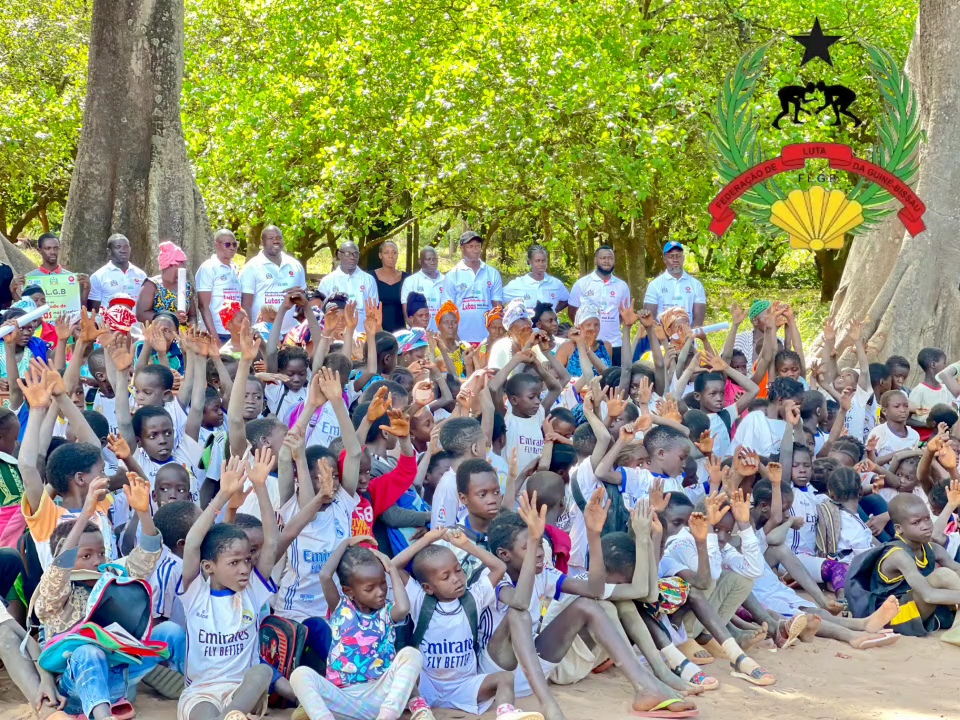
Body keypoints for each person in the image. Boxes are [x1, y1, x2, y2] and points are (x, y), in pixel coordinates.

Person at [177, 452, 278, 720]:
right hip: (201, 692)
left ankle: (233, 714)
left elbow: (272, 542)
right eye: (234, 563)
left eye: (247, 560)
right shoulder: (196, 593)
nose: (244, 568)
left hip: (241, 692)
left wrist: (260, 487)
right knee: (205, 714)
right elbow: (193, 543)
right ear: (209, 567)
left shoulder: (252, 591)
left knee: (262, 672)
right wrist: (222, 495)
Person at [567, 246, 631, 364]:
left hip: (615, 343)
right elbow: (572, 311)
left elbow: (623, 314)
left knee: (616, 375)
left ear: (614, 261)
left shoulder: (622, 286)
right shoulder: (582, 284)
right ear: (596, 260)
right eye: (603, 258)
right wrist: (585, 329)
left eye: (610, 258)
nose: (607, 261)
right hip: (589, 344)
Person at [240, 225, 307, 335]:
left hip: (290, 333)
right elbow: (246, 304)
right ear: (262, 242)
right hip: (262, 333)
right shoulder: (252, 267)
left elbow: (303, 297)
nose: (276, 241)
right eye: (271, 238)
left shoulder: (295, 265)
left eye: (278, 238)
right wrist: (248, 332)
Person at [442, 231, 503, 344]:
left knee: (484, 356)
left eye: (477, 246)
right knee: (464, 356)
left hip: (486, 339)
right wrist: (454, 337)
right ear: (462, 248)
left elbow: (497, 307)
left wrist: (495, 335)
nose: (475, 250)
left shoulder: (492, 273)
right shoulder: (452, 275)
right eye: (470, 246)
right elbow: (447, 310)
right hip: (460, 339)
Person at [642, 242, 706, 328]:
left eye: (678, 256)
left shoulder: (696, 285)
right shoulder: (654, 285)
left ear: (683, 258)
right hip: (662, 334)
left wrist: (687, 333)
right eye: (671, 256)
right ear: (664, 259)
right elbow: (650, 317)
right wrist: (663, 333)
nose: (675, 259)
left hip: (688, 333)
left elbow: (699, 319)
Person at [318, 241, 379, 329]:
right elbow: (320, 311)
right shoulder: (327, 281)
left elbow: (374, 309)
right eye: (347, 254)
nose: (352, 257)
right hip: (336, 333)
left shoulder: (369, 279)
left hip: (362, 332)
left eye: (355, 254)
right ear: (339, 255)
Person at [195, 229, 242, 343]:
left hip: (233, 331)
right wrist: (215, 338)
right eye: (227, 244)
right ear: (216, 244)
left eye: (235, 244)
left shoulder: (235, 268)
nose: (232, 248)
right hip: (215, 332)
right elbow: (203, 306)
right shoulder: (208, 268)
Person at [136, 241, 197, 327]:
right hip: (158, 332)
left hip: (182, 333)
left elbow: (192, 315)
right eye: (183, 264)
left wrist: (191, 326)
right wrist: (170, 317)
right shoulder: (151, 285)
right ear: (174, 265)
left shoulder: (186, 286)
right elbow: (141, 314)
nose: (185, 267)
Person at [23, 232, 91, 308]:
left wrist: (86, 289)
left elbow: (78, 308)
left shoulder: (71, 278)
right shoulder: (29, 279)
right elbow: (22, 309)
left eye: (56, 248)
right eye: (48, 248)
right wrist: (14, 291)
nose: (53, 252)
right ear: (39, 250)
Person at [87, 234, 148, 314]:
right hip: (107, 321)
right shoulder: (98, 276)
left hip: (135, 321)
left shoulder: (141, 275)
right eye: (118, 247)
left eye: (126, 247)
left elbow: (145, 305)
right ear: (109, 251)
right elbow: (93, 311)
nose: (123, 250)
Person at [503, 245, 569, 314]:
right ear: (530, 262)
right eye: (537, 261)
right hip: (527, 321)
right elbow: (498, 299)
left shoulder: (555, 283)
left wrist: (553, 312)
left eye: (544, 261)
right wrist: (509, 316)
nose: (541, 264)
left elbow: (567, 300)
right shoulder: (517, 284)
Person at [401, 247, 445, 331]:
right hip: (419, 335)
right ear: (420, 261)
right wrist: (422, 335)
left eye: (434, 259)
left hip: (442, 333)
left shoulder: (446, 280)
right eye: (428, 259)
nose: (432, 262)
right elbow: (407, 316)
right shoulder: (411, 281)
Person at [371, 241, 408, 332]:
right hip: (377, 331)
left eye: (394, 252)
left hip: (401, 332)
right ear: (380, 255)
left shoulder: (407, 279)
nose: (391, 256)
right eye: (386, 253)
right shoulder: (370, 278)